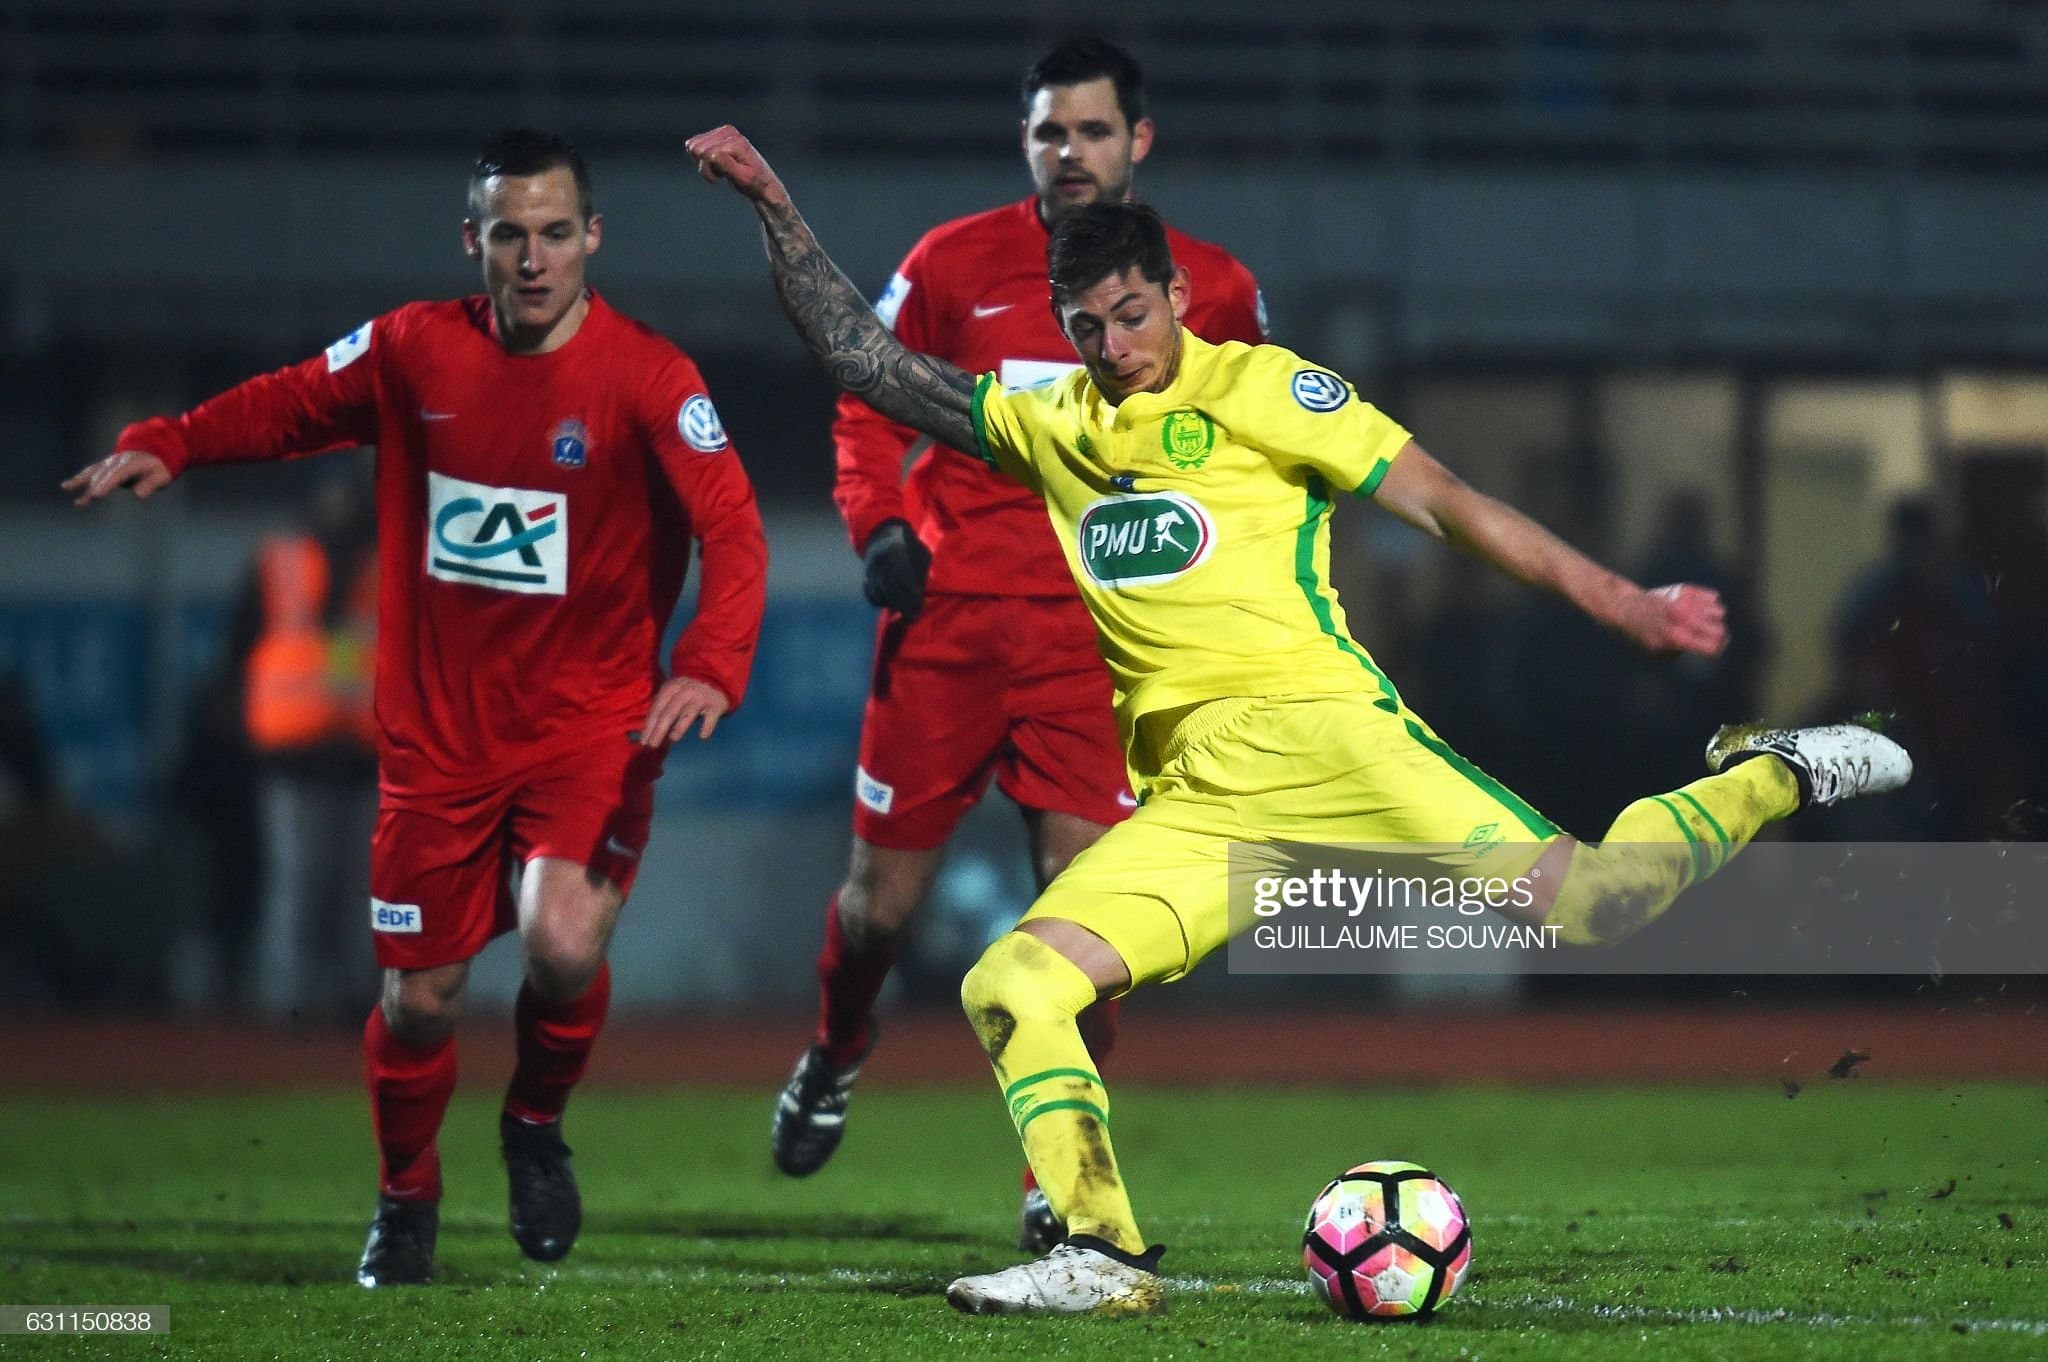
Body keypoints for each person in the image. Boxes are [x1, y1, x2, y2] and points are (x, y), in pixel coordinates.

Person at [686, 125, 1915, 1315]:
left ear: (1175, 295)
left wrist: (1622, 601)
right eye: (1087, 326)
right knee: (1012, 980)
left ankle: (1768, 774)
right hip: (1201, 806)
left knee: (1598, 903)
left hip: (1331, 744)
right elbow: (863, 360)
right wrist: (771, 207)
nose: (1115, 344)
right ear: (1061, 331)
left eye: (1133, 313)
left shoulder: (1264, 387)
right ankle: (1101, 1252)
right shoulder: (1050, 427)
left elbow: (1443, 501)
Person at [65, 130, 769, 1288]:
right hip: (436, 744)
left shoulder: (651, 376)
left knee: (560, 938)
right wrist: (171, 444)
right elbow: (293, 402)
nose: (532, 259)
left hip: (587, 726)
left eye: (554, 233)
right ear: (472, 242)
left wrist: (709, 662)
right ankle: (406, 1197)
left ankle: (534, 1123)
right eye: (509, 235)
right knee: (421, 999)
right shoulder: (412, 350)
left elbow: (735, 527)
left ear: (592, 237)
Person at [775, 37, 1266, 1255]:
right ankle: (837, 1050)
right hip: (945, 631)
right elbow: (862, 398)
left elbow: (1257, 440)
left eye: (1094, 131)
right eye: (1051, 132)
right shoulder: (951, 263)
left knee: (1082, 921)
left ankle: (1054, 1181)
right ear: (1026, 144)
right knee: (876, 910)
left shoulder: (1217, 283)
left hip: (1098, 651)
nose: (1073, 153)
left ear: (1137, 142)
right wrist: (880, 524)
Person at [233, 469, 380, 1023]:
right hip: (294, 755)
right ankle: (290, 1003)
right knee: (298, 884)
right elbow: (240, 651)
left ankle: (348, 1001)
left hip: (363, 755)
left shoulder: (385, 563)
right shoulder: (281, 562)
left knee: (355, 891)